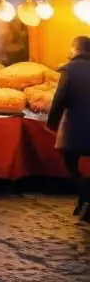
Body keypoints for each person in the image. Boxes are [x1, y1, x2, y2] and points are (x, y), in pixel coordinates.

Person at [47, 36, 90, 221]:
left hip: (77, 126)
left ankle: (87, 198)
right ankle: (83, 200)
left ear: (76, 48)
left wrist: (52, 123)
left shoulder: (70, 69)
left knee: (71, 163)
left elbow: (60, 98)